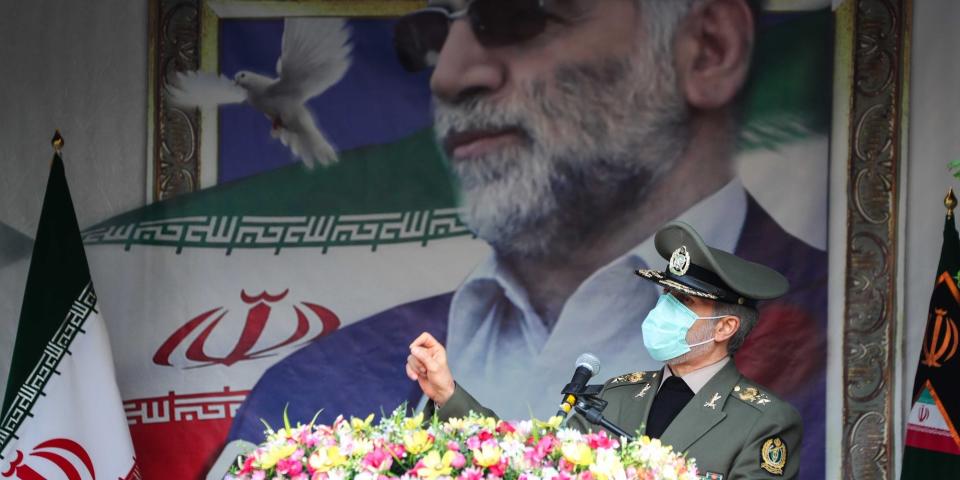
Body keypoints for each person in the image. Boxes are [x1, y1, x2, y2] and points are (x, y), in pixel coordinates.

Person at [229, 0, 825, 473]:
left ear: (707, 48)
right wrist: (445, 391)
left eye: (517, 13)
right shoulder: (314, 389)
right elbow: (522, 454)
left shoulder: (800, 384)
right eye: (435, 32)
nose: (449, 75)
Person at [409, 221, 802, 479]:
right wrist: (447, 393)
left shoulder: (763, 421)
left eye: (684, 302)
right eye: (666, 294)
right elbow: (531, 465)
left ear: (726, 327)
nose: (665, 308)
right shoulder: (615, 396)